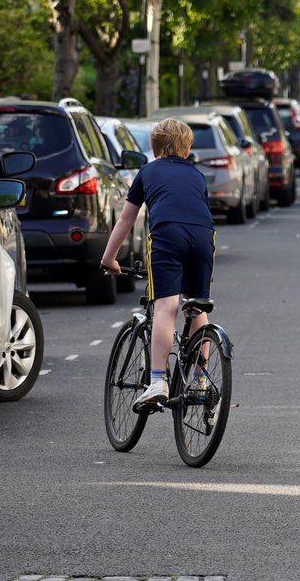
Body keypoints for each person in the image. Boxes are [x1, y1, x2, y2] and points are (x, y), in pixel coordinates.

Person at [101, 117, 217, 409]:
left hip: (168, 234)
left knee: (166, 306)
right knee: (197, 303)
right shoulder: (197, 175)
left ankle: (157, 382)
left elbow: (127, 219)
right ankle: (202, 381)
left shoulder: (147, 171)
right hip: (204, 237)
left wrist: (109, 258)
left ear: (155, 149)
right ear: (187, 149)